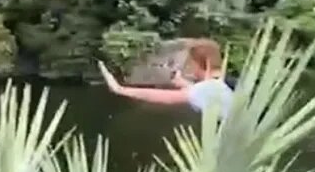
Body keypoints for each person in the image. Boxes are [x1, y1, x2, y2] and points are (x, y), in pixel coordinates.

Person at [98, 38, 234, 117]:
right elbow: (209, 92)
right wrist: (184, 84)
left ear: (201, 62)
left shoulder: (207, 89)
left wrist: (120, 89)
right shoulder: (225, 82)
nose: (188, 66)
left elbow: (163, 97)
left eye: (190, 61)